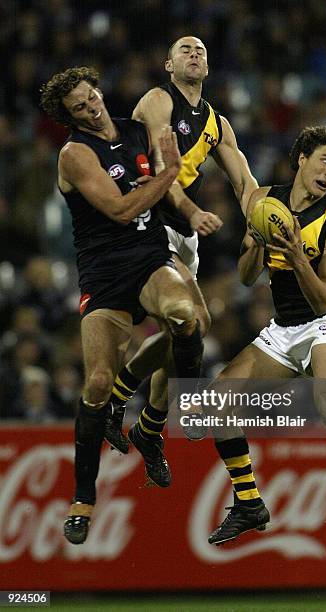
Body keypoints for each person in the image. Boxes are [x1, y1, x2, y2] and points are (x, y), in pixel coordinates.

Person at [203, 126, 326, 545]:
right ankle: (249, 504)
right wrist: (257, 243)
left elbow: (322, 299)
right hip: (284, 326)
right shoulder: (262, 202)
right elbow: (244, 277)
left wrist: (296, 256)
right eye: (325, 161)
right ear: (302, 159)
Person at [40, 66, 205, 545]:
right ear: (67, 117)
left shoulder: (136, 130)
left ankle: (156, 419)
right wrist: (167, 175)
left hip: (150, 255)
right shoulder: (74, 153)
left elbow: (168, 178)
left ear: (99, 89)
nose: (91, 106)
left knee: (186, 319)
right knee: (95, 382)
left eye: (91, 95)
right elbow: (120, 209)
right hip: (105, 274)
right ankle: (83, 499)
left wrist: (188, 206)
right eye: (78, 106)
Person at [104, 36, 258, 450]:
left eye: (201, 51)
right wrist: (193, 212)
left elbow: (245, 183)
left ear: (208, 67)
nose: (194, 54)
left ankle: (149, 425)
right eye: (185, 50)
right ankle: (119, 401)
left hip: (184, 231)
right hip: (149, 218)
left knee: (190, 329)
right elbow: (158, 171)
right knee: (188, 319)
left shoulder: (216, 123)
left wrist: (259, 222)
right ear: (168, 64)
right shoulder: (158, 100)